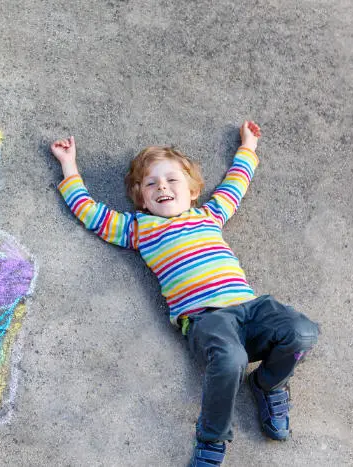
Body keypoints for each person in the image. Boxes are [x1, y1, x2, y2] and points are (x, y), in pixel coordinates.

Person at [51, 122, 319, 466]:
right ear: (141, 198)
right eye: (151, 183)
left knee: (302, 332)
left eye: (172, 179)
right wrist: (68, 164)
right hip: (206, 319)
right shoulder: (138, 228)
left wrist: (248, 147)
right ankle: (211, 439)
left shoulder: (210, 213)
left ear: (192, 190)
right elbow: (89, 211)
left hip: (250, 309)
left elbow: (235, 185)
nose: (162, 185)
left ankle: (268, 384)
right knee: (230, 361)